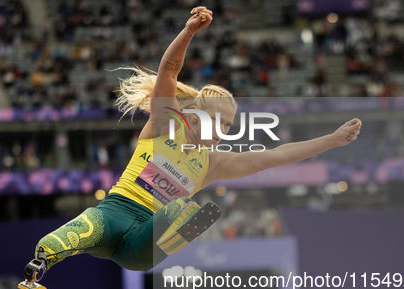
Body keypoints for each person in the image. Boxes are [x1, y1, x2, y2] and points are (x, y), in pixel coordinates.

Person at [31, 6, 362, 274]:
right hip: (114, 214)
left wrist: (331, 141)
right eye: (218, 120)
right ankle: (38, 265)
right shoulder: (165, 124)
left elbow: (275, 155)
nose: (223, 131)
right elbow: (169, 73)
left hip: (143, 246)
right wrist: (189, 32)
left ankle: (166, 229)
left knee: (188, 210)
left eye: (229, 126)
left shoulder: (214, 164)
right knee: (74, 232)